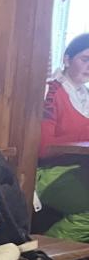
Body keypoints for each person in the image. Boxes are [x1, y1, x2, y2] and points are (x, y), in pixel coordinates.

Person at [36, 33, 89, 245]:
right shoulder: (51, 91)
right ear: (67, 60)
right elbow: (43, 148)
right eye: (85, 59)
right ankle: (43, 256)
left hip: (78, 169)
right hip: (47, 172)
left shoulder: (85, 96)